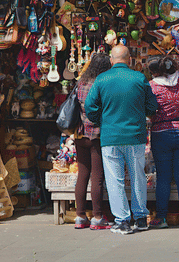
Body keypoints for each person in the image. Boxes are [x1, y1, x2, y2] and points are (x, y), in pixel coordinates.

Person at [85, 45, 158, 235]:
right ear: (130, 60)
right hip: (135, 136)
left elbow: (90, 107)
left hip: (110, 136)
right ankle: (141, 218)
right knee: (137, 177)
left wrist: (102, 120)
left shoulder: (102, 79)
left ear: (111, 60)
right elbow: (152, 105)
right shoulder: (139, 78)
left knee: (115, 180)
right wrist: (142, 114)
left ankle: (123, 221)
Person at [146, 55, 179, 229]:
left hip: (161, 133)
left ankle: (161, 218)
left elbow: (149, 110)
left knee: (163, 178)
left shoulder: (152, 86)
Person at [73, 53, 113, 230]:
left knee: (83, 175)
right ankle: (97, 216)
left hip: (80, 133)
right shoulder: (103, 84)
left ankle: (80, 216)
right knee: (97, 177)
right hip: (97, 134)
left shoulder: (81, 82)